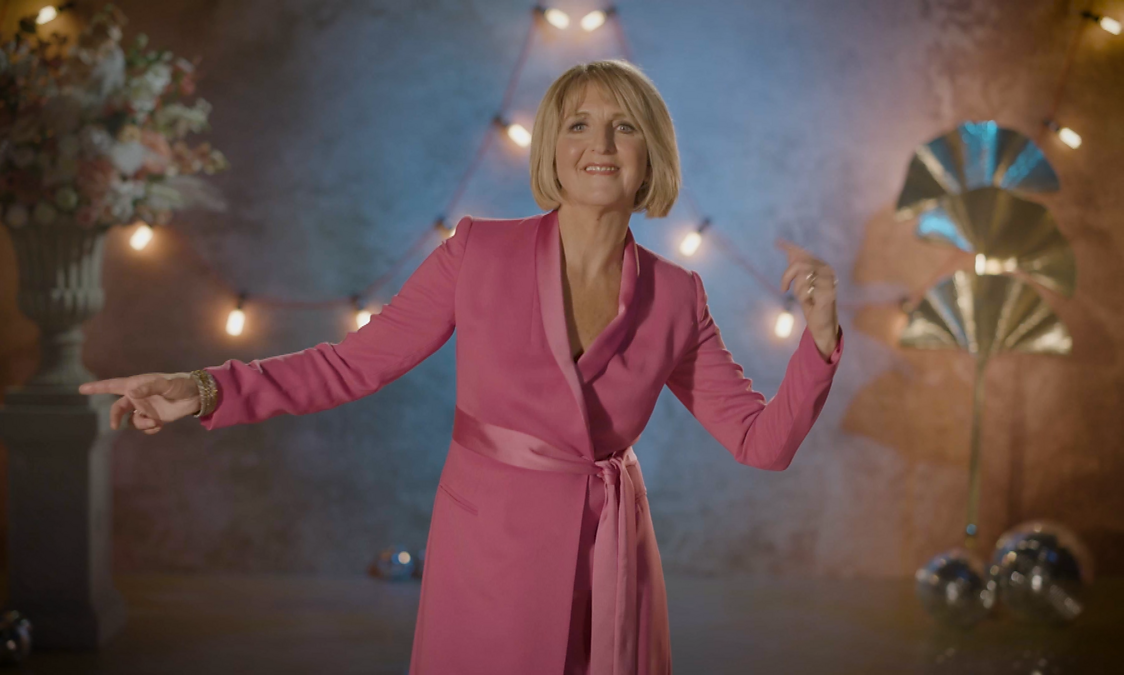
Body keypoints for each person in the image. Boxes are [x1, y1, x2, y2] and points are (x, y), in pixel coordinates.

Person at [79, 59, 843, 675]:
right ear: (551, 148)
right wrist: (202, 389)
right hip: (489, 556)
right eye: (579, 123)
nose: (601, 143)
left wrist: (818, 339)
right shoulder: (477, 252)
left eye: (624, 126)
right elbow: (350, 365)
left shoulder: (678, 295)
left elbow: (761, 443)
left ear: (652, 156)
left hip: (611, 565)